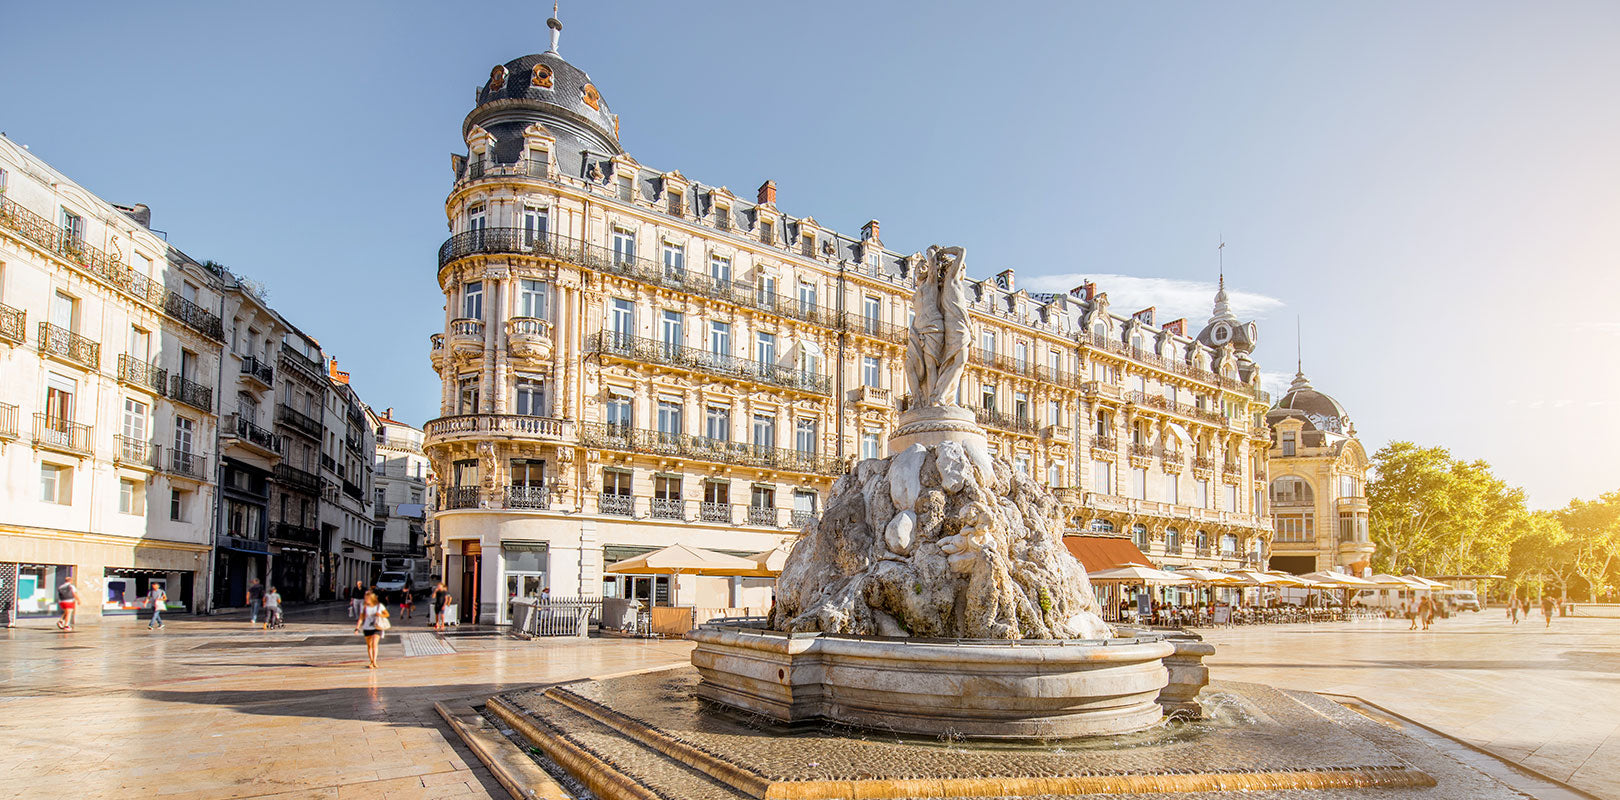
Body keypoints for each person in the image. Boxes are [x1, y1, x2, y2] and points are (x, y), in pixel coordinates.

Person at [354, 590, 390, 668]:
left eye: (367, 598)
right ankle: (371, 661)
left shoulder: (379, 606)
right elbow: (361, 618)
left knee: (374, 644)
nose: (366, 600)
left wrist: (380, 614)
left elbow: (387, 614)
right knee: (369, 645)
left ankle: (375, 661)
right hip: (367, 628)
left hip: (377, 627)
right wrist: (357, 628)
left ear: (372, 598)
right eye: (365, 598)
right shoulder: (364, 607)